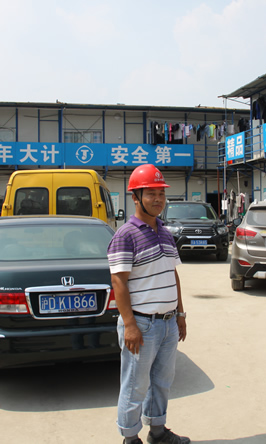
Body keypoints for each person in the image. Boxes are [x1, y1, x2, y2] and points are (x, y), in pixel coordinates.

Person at [107, 164, 189, 444]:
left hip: (167, 323)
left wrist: (180, 313)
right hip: (142, 325)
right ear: (135, 197)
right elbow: (118, 282)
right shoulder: (125, 235)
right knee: (135, 386)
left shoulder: (165, 232)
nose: (158, 199)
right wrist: (130, 325)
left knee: (162, 382)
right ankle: (130, 438)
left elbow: (172, 274)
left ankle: (157, 431)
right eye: (151, 193)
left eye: (161, 194)